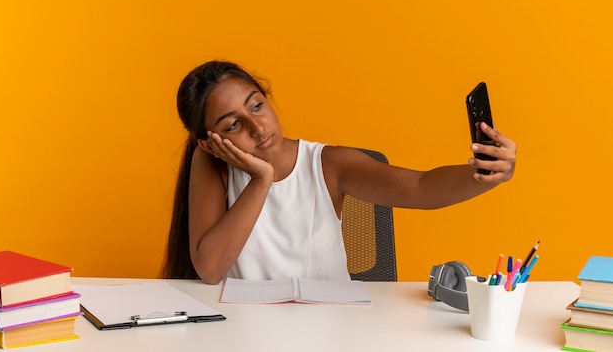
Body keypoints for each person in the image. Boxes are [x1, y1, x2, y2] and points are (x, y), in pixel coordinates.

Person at [162, 60, 517, 284]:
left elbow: (420, 187)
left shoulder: (327, 164)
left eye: (258, 105)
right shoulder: (212, 165)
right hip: (251, 332)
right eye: (234, 124)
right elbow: (209, 270)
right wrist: (260, 180)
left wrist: (486, 175)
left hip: (331, 329)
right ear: (210, 144)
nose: (258, 127)